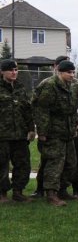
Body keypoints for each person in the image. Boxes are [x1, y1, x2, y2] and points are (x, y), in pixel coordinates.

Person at [32, 59, 78, 206]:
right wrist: (42, 132)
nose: (72, 75)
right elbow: (41, 110)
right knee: (55, 162)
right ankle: (51, 193)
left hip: (70, 131)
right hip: (53, 131)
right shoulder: (49, 85)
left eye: (73, 72)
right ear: (60, 72)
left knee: (71, 163)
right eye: (69, 72)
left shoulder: (77, 85)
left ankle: (63, 190)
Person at [0, 59, 34, 203]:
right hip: (2, 136)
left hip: (20, 135)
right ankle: (2, 194)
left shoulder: (20, 88)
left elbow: (27, 111)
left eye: (16, 70)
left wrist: (31, 129)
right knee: (1, 165)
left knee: (23, 164)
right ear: (2, 71)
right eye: (11, 70)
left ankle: (18, 192)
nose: (14, 73)